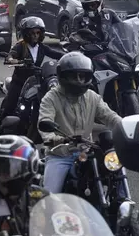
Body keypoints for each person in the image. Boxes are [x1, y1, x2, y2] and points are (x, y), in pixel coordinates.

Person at [38, 52, 121, 193]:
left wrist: (129, 129)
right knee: (50, 195)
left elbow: (110, 117)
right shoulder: (51, 98)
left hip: (88, 153)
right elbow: (45, 127)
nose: (79, 80)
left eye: (82, 76)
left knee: (116, 171)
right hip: (60, 155)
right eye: (73, 76)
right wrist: (60, 140)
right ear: (63, 76)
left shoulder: (92, 97)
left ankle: (124, 205)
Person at [0, 16, 63, 120]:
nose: (35, 36)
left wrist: (72, 55)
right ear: (26, 33)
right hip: (20, 82)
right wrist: (14, 60)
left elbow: (56, 54)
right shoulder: (20, 46)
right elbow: (11, 56)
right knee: (9, 106)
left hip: (36, 82)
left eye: (38, 33)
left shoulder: (42, 47)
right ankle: (0, 128)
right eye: (32, 33)